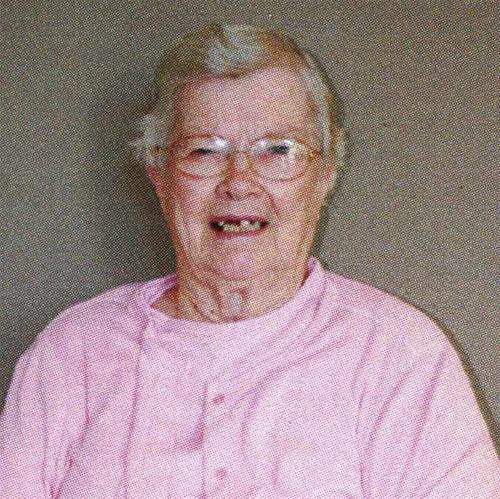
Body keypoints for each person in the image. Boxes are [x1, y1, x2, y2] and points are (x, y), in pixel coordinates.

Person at [0, 23, 498, 499]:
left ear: (325, 174)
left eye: (277, 150)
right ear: (159, 174)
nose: (239, 181)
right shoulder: (72, 354)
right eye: (204, 151)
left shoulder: (399, 357)